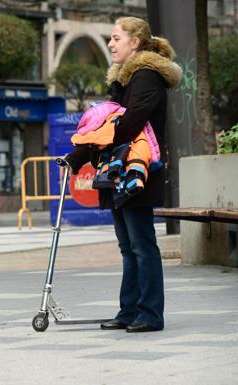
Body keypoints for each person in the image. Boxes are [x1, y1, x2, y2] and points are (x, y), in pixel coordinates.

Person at [65, 17, 182, 332]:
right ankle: (130, 311)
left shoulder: (146, 77)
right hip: (119, 169)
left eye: (116, 38)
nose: (110, 44)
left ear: (136, 42)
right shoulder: (124, 80)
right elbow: (105, 127)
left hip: (137, 171)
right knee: (128, 246)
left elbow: (127, 125)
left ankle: (150, 314)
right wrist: (74, 158)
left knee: (142, 245)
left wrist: (93, 137)